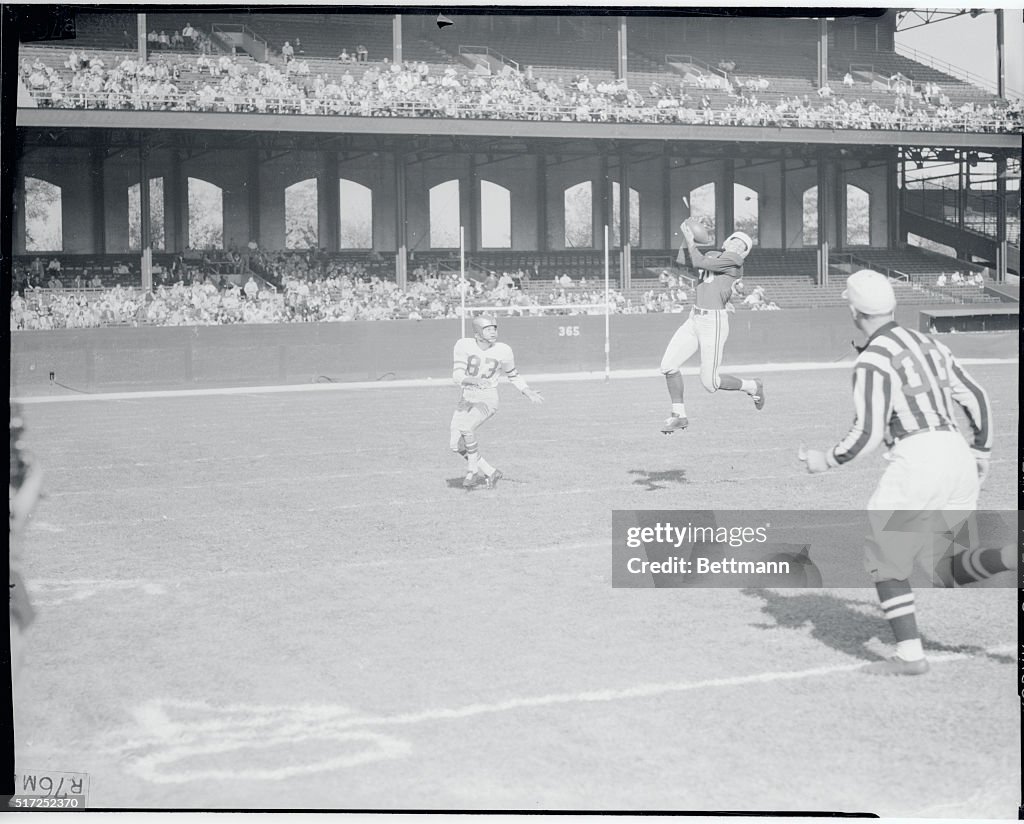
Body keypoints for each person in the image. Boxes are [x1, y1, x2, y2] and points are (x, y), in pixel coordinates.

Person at [799, 270, 1005, 676]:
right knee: (946, 565)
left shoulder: (872, 359)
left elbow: (868, 433)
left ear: (855, 312)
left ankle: (910, 656)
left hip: (917, 458)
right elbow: (976, 396)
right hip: (957, 453)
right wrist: (981, 451)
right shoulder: (931, 343)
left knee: (884, 557)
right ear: (892, 306)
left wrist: (825, 460)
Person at [658, 223, 765, 434]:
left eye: (743, 244)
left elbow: (698, 260)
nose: (737, 245)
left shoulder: (735, 259)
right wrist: (686, 237)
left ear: (745, 253)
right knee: (668, 365)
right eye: (734, 239)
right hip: (694, 317)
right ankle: (679, 415)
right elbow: (686, 263)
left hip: (713, 322)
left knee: (710, 383)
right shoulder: (716, 254)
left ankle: (753, 386)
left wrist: (690, 239)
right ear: (726, 242)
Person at [450, 315, 544, 489]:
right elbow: (457, 376)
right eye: (488, 328)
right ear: (478, 333)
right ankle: (491, 472)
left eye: (495, 328)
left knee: (466, 427)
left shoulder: (504, 350)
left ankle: (472, 470)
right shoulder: (464, 345)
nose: (493, 331)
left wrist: (526, 390)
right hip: (467, 396)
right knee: (456, 445)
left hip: (488, 396)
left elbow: (512, 374)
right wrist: (473, 380)